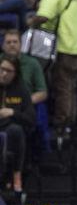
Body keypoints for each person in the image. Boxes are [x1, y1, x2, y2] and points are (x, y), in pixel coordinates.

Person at [31, 0, 77, 137]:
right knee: (70, 87)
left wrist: (30, 22)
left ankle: (61, 125)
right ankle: (69, 125)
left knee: (62, 88)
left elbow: (44, 16)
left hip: (65, 48)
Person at [0, 54, 35, 195]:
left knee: (16, 131)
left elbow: (31, 118)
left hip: (11, 130)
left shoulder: (21, 90)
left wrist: (12, 113)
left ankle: (17, 174)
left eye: (8, 71)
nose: (3, 73)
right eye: (2, 69)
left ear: (15, 73)